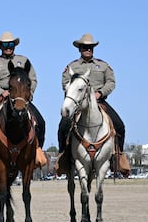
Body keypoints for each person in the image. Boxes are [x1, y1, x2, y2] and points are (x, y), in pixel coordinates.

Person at [55, 33, 130, 174]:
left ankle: (118, 158)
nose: (88, 49)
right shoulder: (72, 67)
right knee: (63, 126)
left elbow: (111, 82)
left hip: (99, 102)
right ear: (80, 49)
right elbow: (65, 83)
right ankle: (62, 157)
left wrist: (100, 93)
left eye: (90, 47)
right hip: (79, 104)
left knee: (119, 125)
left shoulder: (103, 65)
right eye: (85, 47)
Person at [0, 31, 47, 167]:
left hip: (20, 98)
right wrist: (1, 92)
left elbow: (33, 79)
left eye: (11, 44)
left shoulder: (24, 61)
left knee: (41, 122)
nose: (8, 47)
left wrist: (27, 95)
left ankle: (38, 150)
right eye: (5, 44)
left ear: (15, 45)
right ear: (0, 46)